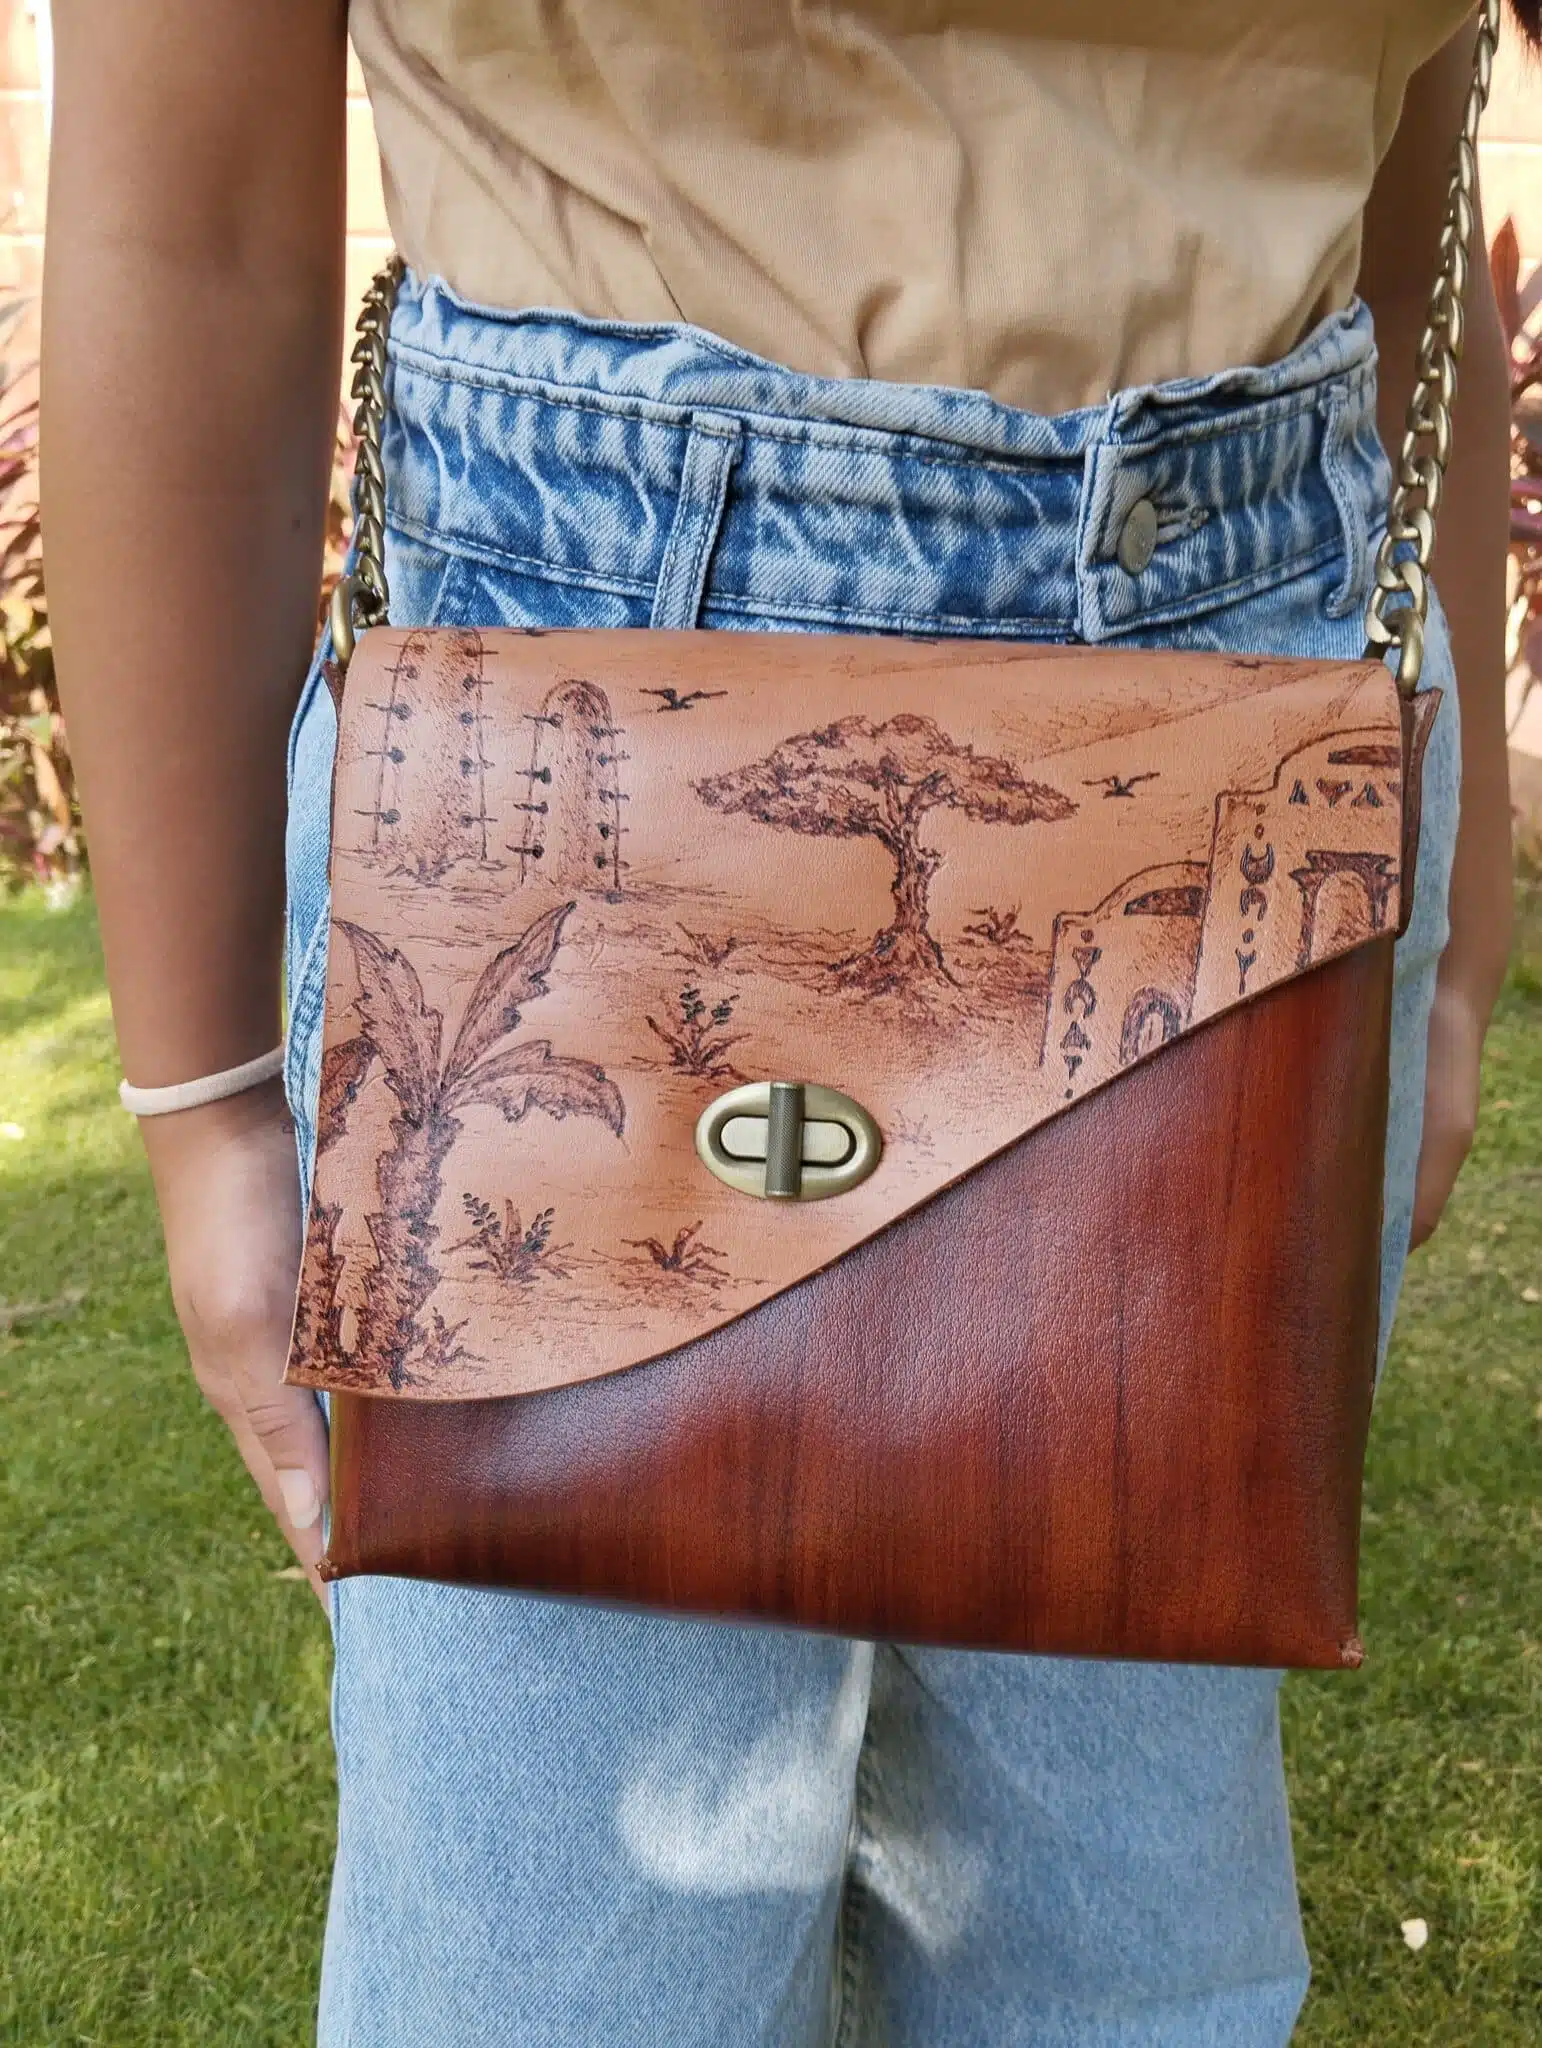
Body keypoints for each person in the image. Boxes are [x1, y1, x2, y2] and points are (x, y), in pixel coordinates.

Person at [42, 4, 1516, 2042]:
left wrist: (1455, 884)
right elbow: (182, 215)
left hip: (1260, 707)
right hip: (591, 688)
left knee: (1126, 1972)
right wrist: (202, 1096)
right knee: (564, 1993)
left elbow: (1408, 187)